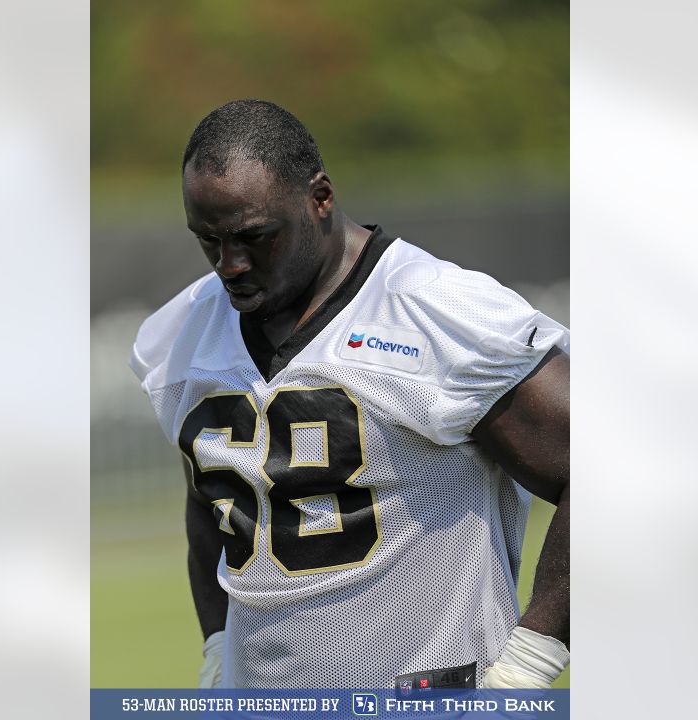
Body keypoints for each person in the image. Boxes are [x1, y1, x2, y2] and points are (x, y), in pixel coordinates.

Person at [129, 99, 569, 689]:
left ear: (320, 198)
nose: (229, 264)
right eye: (208, 240)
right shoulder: (182, 332)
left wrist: (530, 663)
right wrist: (216, 644)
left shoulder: (434, 311)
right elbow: (219, 492)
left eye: (253, 237)